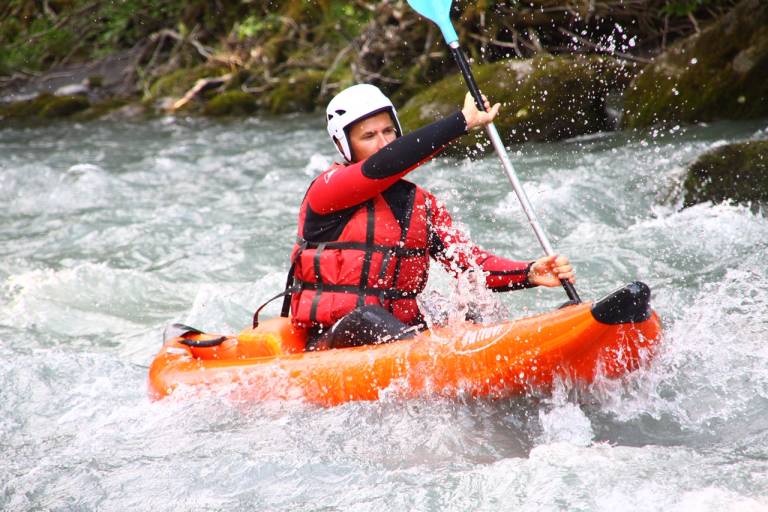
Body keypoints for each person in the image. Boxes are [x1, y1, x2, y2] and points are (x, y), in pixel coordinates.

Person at [287, 84, 574, 351]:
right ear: (343, 145)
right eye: (368, 136)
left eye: (389, 131)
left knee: (472, 309)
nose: (383, 143)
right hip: (335, 339)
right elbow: (385, 163)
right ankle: (436, 360)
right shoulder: (327, 192)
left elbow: (468, 265)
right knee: (368, 317)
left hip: (402, 335)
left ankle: (524, 347)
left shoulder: (421, 204)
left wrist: (529, 272)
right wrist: (461, 122)